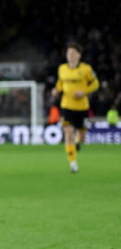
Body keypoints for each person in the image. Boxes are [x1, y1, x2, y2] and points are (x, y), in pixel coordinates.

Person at [49, 41, 99, 173]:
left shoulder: (86, 69)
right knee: (68, 131)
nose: (70, 55)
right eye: (68, 53)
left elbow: (95, 84)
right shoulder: (62, 69)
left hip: (82, 107)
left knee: (82, 135)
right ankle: (73, 163)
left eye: (72, 53)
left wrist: (84, 92)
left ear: (79, 55)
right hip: (66, 106)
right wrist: (56, 90)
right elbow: (60, 83)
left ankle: (78, 143)